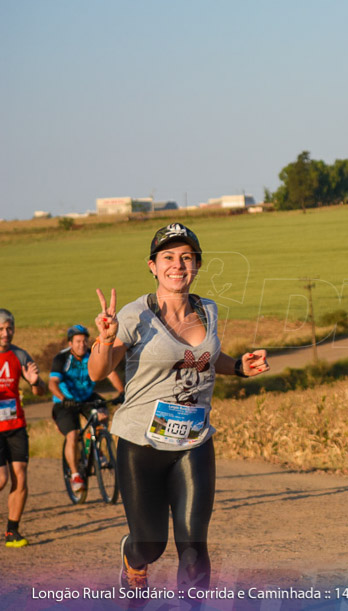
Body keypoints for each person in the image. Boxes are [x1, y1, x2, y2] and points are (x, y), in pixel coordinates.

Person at [87, 223, 269, 590]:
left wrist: (237, 367)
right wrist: (105, 341)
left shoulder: (209, 310)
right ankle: (132, 557)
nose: (178, 264)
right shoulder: (134, 315)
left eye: (187, 257)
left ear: (197, 265)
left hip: (194, 441)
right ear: (152, 266)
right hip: (141, 445)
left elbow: (201, 357)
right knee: (150, 546)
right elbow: (98, 371)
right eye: (168, 257)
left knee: (193, 550)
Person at [49, 324, 125, 493]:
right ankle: (75, 475)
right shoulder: (61, 359)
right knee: (73, 434)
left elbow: (110, 372)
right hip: (66, 401)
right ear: (70, 343)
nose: (81, 345)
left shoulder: (91, 355)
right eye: (77, 341)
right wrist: (63, 398)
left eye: (84, 341)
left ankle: (96, 448)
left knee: (103, 414)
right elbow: (52, 383)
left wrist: (122, 391)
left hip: (86, 396)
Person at [0, 309, 45, 548]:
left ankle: (12, 532)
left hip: (15, 424)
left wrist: (35, 382)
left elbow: (41, 391)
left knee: (20, 476)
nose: (6, 334)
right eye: (1, 329)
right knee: (1, 478)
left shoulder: (19, 355)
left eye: (9, 328)